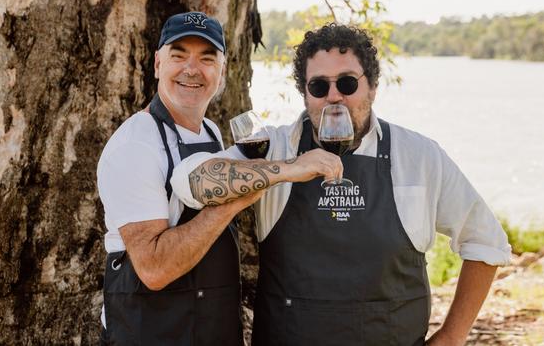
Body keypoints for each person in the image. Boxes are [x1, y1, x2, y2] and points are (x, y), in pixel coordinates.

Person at [170, 23, 511, 345]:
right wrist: (287, 169)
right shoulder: (275, 149)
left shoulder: (419, 156)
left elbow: (485, 241)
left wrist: (451, 337)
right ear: (305, 94)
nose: (333, 97)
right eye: (319, 86)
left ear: (372, 87)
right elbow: (189, 181)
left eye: (347, 83)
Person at [96, 12, 341, 345]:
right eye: (178, 56)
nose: (192, 69)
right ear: (157, 64)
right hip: (152, 333)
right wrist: (244, 195)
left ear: (222, 72)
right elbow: (153, 269)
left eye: (207, 59)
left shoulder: (210, 130)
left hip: (213, 329)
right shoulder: (135, 145)